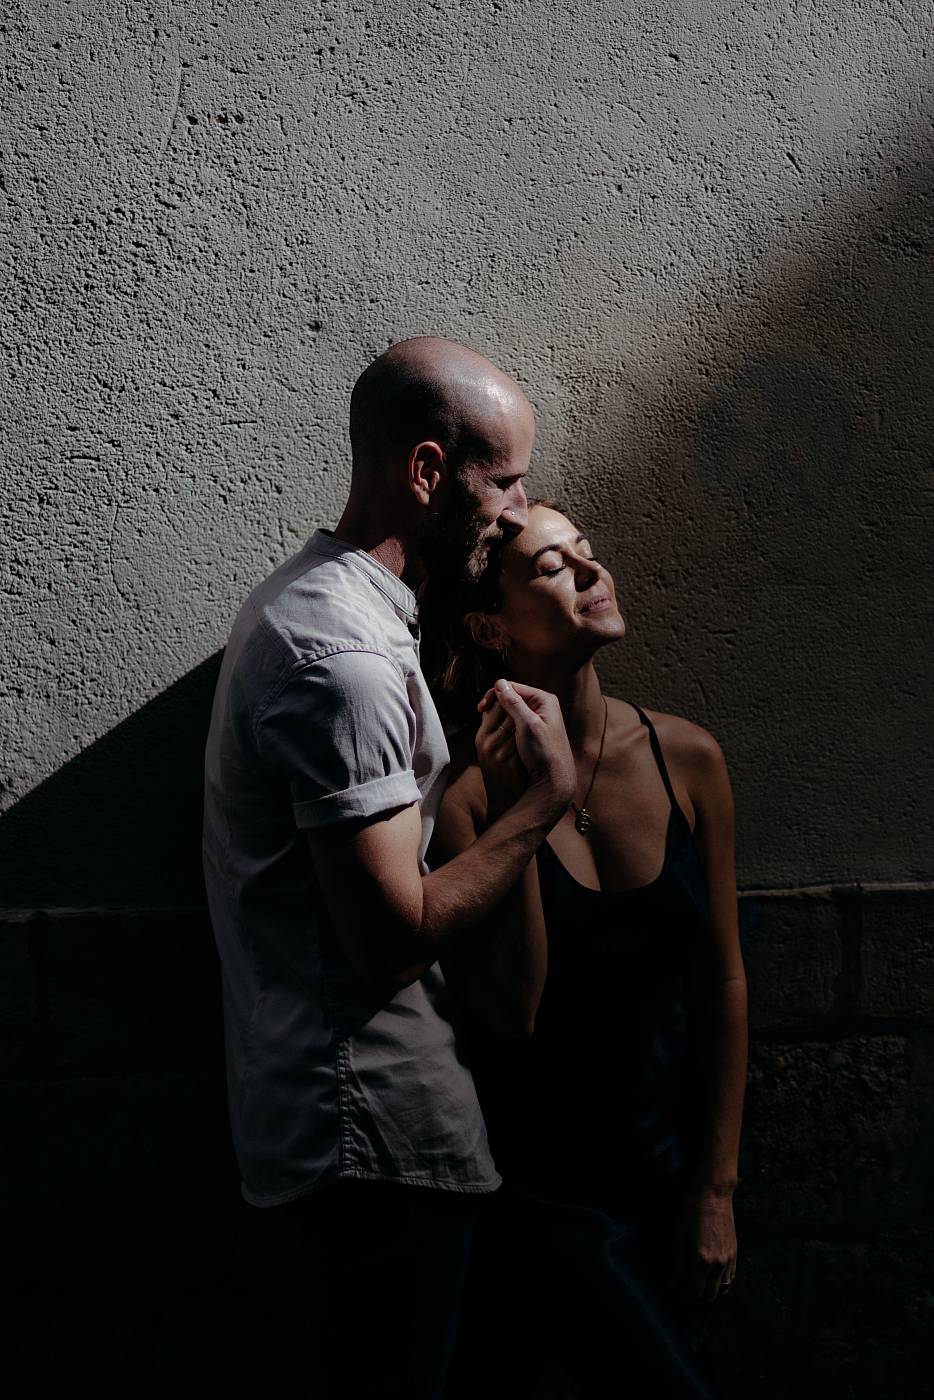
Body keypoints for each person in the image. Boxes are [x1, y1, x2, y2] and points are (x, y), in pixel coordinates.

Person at [202, 340, 577, 1400]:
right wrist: (542, 803)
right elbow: (387, 933)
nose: (518, 509)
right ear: (424, 471)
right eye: (502, 480)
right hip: (371, 1147)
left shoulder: (326, 610)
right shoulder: (347, 662)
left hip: (357, 1143)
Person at [425, 502, 748, 1399]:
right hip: (551, 1203)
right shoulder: (470, 802)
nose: (590, 571)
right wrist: (533, 800)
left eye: (588, 554)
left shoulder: (688, 759)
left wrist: (716, 1189)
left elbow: (721, 977)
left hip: (673, 1183)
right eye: (552, 566)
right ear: (491, 625)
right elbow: (517, 1006)